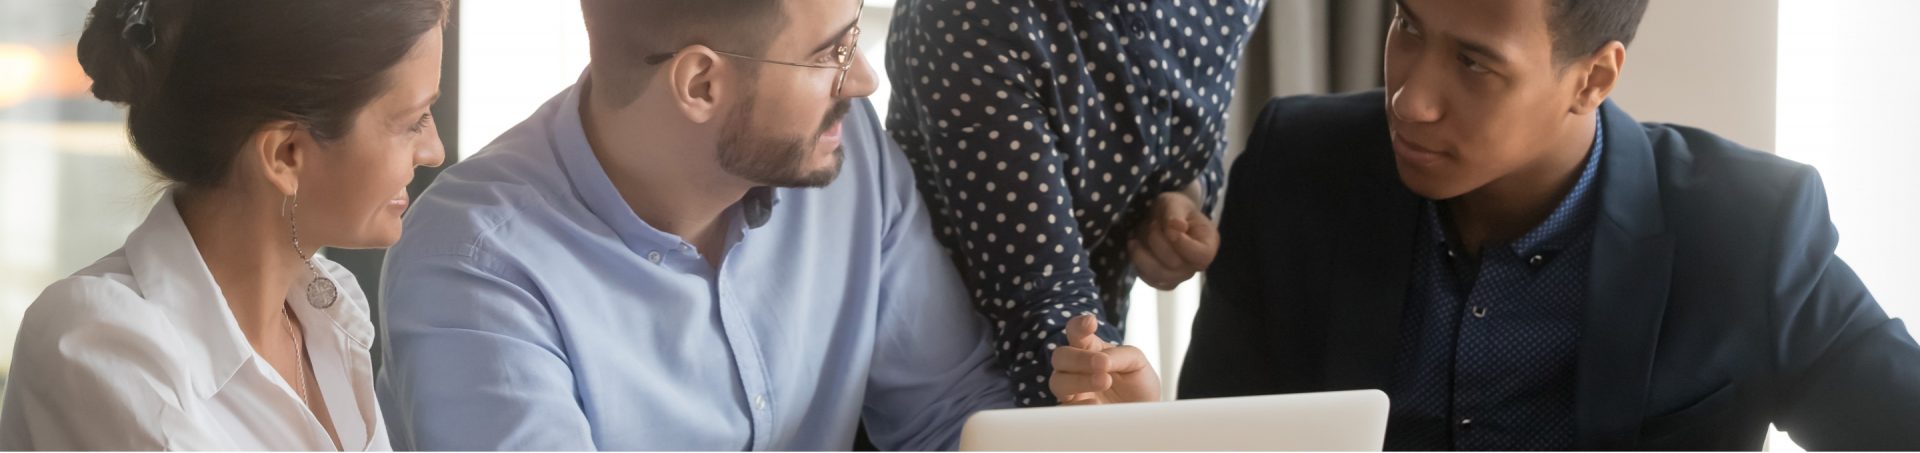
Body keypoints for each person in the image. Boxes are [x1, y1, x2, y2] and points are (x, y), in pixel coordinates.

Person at [373, 0, 1148, 449]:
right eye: (831, 52)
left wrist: (1100, 439)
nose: (867, 77)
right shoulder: (473, 261)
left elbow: (949, 423)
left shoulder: (851, 159)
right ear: (701, 81)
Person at [1178, 0, 1920, 449]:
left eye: (1473, 63)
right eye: (1408, 23)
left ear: (1593, 79)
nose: (1409, 99)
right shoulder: (1296, 169)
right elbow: (1217, 434)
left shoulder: (1748, 230)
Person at [0, 0, 447, 449]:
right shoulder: (98, 343)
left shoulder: (331, 312)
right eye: (413, 121)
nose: (434, 151)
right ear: (284, 155)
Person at [884, 0, 1265, 406]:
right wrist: (1100, 394)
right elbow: (1041, 293)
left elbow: (1201, 138)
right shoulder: (967, 15)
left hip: (1083, 366)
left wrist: (1187, 195)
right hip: (939, 394)